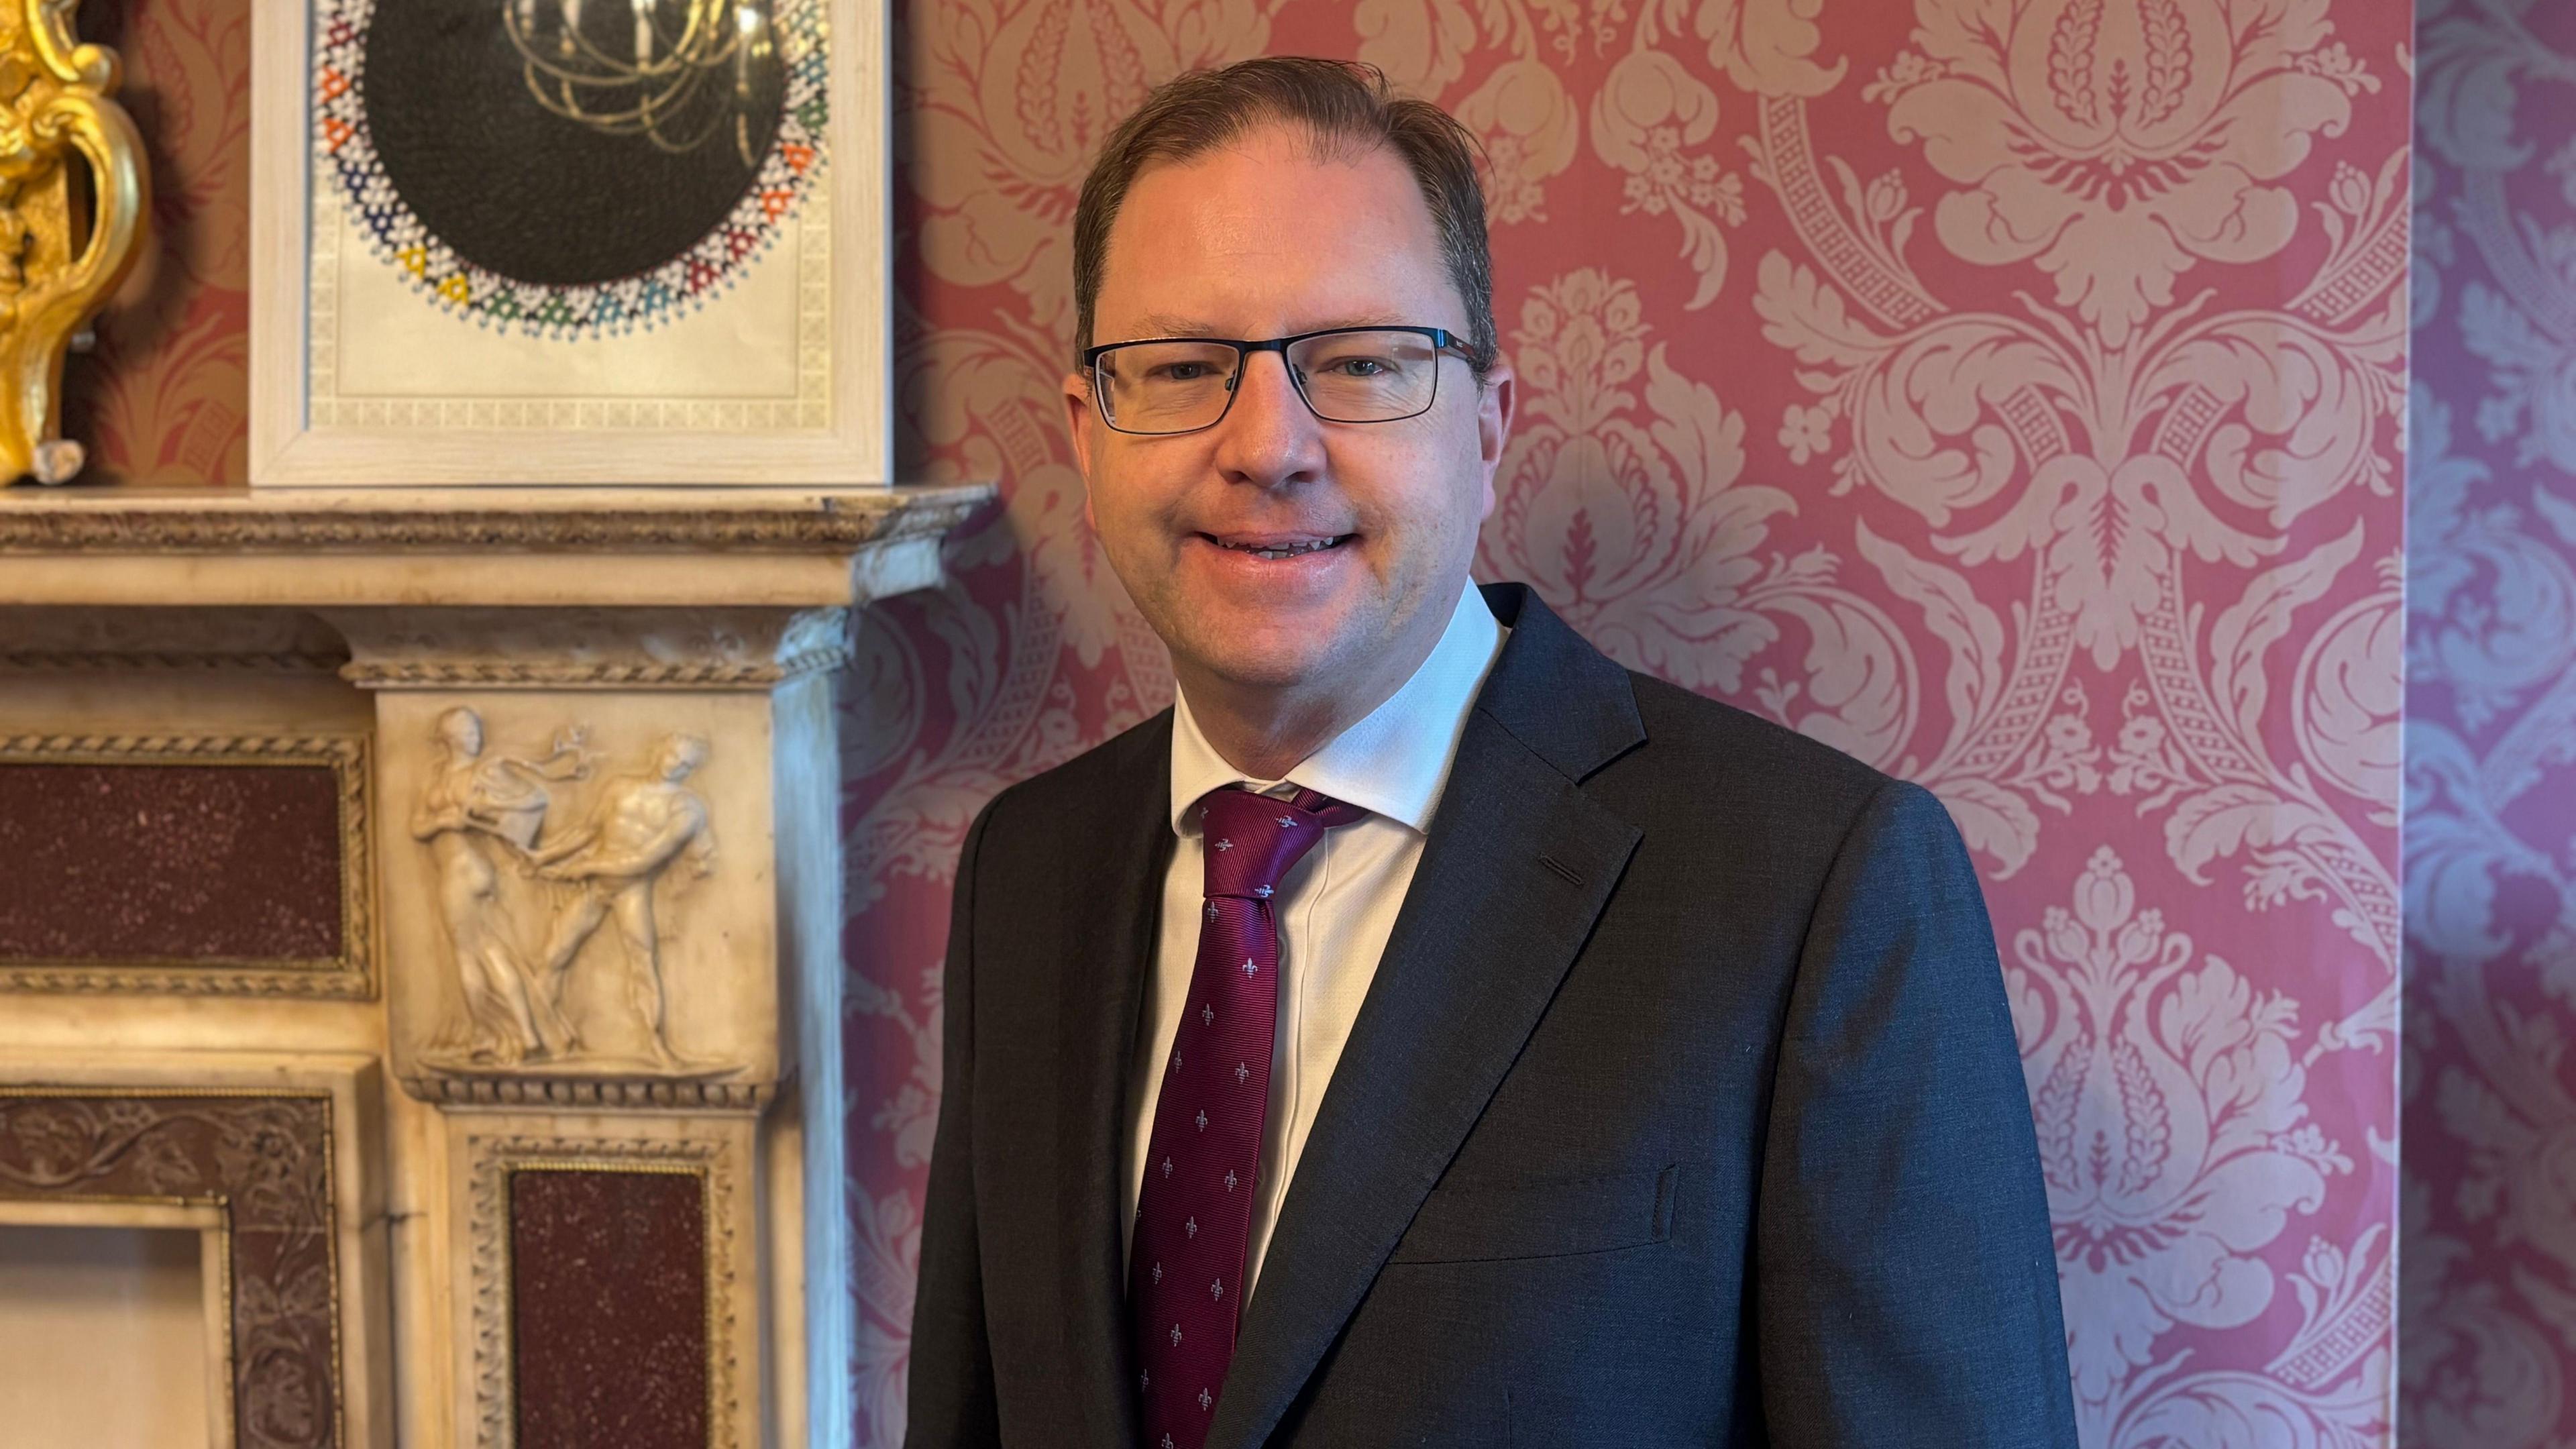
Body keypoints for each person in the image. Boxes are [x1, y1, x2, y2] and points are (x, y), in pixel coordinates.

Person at [906, 56, 2074, 1449]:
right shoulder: (1027, 873)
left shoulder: (1817, 892)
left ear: (1489, 424)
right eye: (1178, 367)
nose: (1268, 445)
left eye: (1359, 364)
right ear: (1087, 435)